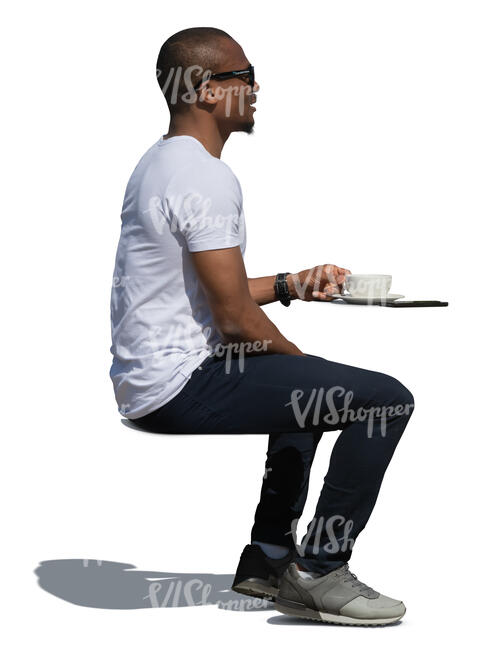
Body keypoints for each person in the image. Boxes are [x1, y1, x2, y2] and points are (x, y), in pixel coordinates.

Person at [109, 26, 415, 626]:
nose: (255, 89)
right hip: (177, 385)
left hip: (156, 375)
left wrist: (288, 284)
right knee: (381, 401)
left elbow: (208, 292)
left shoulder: (162, 162)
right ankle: (322, 571)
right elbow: (231, 318)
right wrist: (301, 362)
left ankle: (268, 558)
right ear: (202, 89)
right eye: (243, 77)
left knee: (297, 387)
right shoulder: (202, 174)